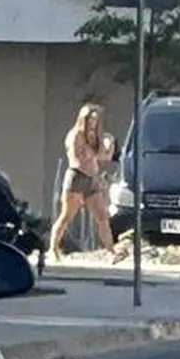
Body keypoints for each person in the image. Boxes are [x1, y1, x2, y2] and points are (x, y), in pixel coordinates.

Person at [49, 102, 115, 259]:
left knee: (102, 217)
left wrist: (109, 144)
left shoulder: (93, 136)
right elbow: (78, 158)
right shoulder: (75, 135)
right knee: (66, 216)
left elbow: (104, 157)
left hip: (92, 180)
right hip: (77, 178)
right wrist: (94, 152)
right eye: (90, 119)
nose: (93, 123)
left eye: (96, 120)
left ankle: (111, 251)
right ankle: (53, 249)